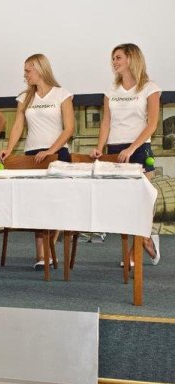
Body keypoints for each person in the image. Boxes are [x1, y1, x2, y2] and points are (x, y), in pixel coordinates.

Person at [0, 54, 75, 268]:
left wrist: (50, 151)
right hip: (32, 155)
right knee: (37, 204)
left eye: (28, 70)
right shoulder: (25, 97)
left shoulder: (62, 94)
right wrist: (9, 149)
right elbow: (18, 126)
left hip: (57, 154)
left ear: (40, 69)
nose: (25, 74)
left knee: (56, 202)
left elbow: (69, 128)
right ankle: (42, 255)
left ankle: (49, 248)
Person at [90, 43, 160, 265]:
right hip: (115, 150)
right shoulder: (111, 92)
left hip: (139, 149)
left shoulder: (149, 88)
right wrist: (100, 147)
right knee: (123, 203)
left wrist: (132, 149)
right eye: (113, 58)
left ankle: (134, 251)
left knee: (143, 201)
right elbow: (106, 122)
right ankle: (146, 238)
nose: (114, 62)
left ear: (131, 58)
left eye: (118, 57)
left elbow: (152, 124)